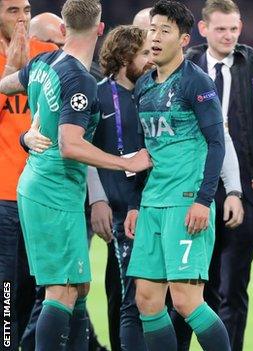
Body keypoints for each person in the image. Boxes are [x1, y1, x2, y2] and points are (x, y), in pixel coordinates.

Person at [0, 0, 153, 349]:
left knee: (77, 287)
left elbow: (6, 85)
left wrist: (28, 132)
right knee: (61, 290)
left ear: (64, 29)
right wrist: (127, 162)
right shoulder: (80, 80)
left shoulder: (42, 62)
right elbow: (71, 145)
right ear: (100, 30)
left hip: (40, 186)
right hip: (54, 191)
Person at [123, 1, 230, 350]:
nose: (154, 37)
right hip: (152, 203)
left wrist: (203, 200)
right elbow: (144, 154)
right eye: (152, 29)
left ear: (183, 39)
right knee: (147, 301)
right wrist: (136, 204)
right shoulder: (143, 87)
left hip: (186, 204)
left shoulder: (196, 84)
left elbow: (217, 145)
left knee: (185, 301)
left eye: (164, 31)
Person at [184, 1, 253, 349]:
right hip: (193, 190)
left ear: (241, 27)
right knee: (190, 287)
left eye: (233, 29)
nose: (228, 36)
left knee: (232, 287)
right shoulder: (185, 66)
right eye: (220, 29)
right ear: (203, 30)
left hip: (248, 192)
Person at [84, 25, 152, 351]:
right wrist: (98, 199)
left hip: (155, 205)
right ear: (126, 57)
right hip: (119, 211)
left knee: (158, 299)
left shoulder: (155, 93)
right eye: (144, 54)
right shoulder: (96, 95)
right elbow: (83, 150)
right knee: (128, 298)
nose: (151, 60)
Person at [0, 0, 57, 349]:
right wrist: (8, 71)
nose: (22, 19)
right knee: (6, 289)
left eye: (26, 10)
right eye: (12, 11)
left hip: (42, 195)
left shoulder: (46, 55)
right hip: (3, 196)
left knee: (39, 289)